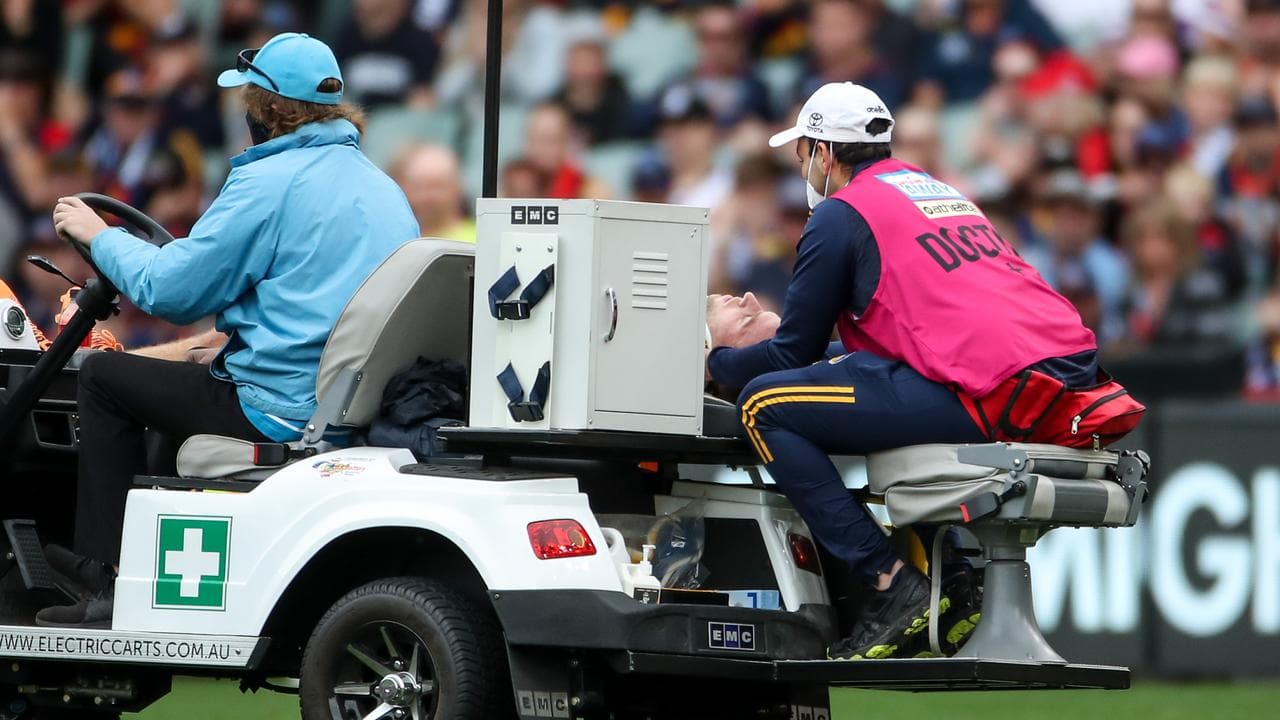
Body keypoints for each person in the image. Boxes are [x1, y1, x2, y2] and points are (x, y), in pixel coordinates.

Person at [706, 82, 1135, 660]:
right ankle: (952, 579)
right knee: (847, 370)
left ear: (825, 153)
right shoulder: (936, 190)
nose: (802, 168)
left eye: (803, 153)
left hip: (997, 385)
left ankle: (890, 583)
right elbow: (872, 345)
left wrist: (715, 362)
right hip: (1063, 375)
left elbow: (790, 354)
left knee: (764, 404)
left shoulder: (841, 213)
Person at [42, 32, 420, 628]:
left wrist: (98, 235)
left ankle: (105, 580)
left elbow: (171, 290)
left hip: (279, 407)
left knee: (104, 377)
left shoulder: (268, 182)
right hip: (346, 400)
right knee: (180, 381)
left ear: (266, 109)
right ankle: (151, 564)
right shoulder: (385, 189)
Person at [392, 143, 476, 243]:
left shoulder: (479, 238)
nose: (428, 197)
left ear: (457, 187)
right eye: (419, 187)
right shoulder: (398, 239)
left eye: (437, 187)